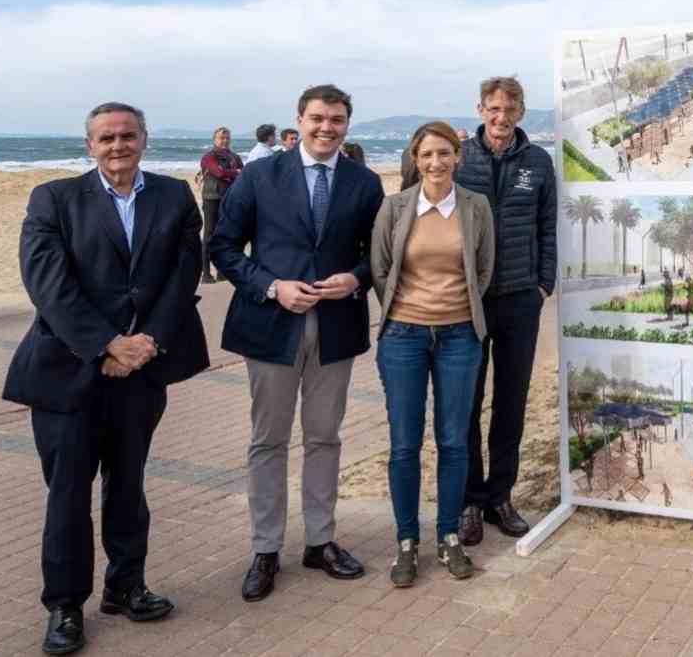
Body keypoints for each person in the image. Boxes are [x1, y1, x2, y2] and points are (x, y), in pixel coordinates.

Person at [2, 102, 211, 656]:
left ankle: (126, 586)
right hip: (65, 372)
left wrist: (146, 344)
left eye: (128, 135)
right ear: (89, 145)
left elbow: (182, 275)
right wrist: (106, 345)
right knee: (68, 494)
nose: (118, 145)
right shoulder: (54, 199)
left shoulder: (173, 196)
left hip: (142, 370)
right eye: (106, 137)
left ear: (145, 139)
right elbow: (48, 283)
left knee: (128, 484)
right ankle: (65, 606)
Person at [210, 85, 386, 602]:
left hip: (336, 327)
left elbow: (377, 251)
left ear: (347, 125)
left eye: (336, 119)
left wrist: (357, 279)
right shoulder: (260, 175)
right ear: (299, 120)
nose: (326, 127)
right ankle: (265, 549)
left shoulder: (363, 182)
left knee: (324, 437)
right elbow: (222, 245)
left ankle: (320, 540)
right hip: (270, 324)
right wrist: (271, 286)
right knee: (268, 440)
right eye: (317, 118)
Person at [370, 122, 494, 586]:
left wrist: (454, 311)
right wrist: (410, 312)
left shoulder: (477, 207)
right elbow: (382, 270)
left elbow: (483, 271)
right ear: (415, 159)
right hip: (403, 336)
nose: (436, 162)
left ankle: (448, 536)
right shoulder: (395, 206)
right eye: (427, 155)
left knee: (454, 441)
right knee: (404, 443)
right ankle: (406, 541)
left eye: (444, 153)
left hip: (460, 336)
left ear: (457, 156)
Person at [454, 77, 558, 545]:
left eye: (509, 108)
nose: (501, 116)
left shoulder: (537, 162)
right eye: (493, 108)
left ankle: (501, 496)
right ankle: (470, 501)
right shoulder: (459, 157)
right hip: (467, 300)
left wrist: (543, 284)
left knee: (511, 402)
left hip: (520, 298)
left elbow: (547, 226)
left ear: (520, 111)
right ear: (480, 109)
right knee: (467, 403)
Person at [197, 127, 244, 283]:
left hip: (230, 198)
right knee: (209, 235)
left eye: (227, 138)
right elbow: (219, 173)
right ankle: (205, 273)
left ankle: (222, 272)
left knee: (226, 235)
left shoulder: (234, 156)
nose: (224, 140)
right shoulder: (208, 157)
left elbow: (243, 174)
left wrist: (232, 172)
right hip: (212, 198)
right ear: (214, 140)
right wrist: (234, 172)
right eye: (221, 138)